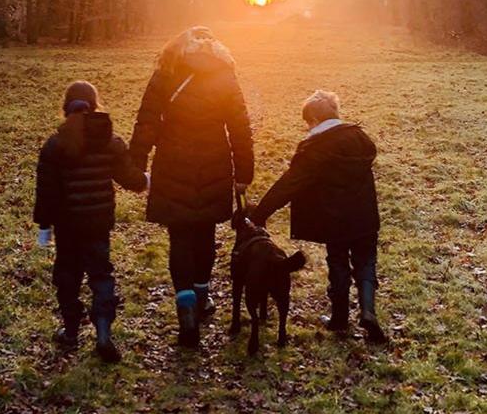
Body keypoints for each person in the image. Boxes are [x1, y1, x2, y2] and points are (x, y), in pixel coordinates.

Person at [130, 27, 254, 348]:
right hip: (214, 166)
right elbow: (240, 127)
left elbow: (147, 121)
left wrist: (137, 163)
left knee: (180, 237)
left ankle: (186, 309)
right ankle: (202, 295)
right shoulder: (225, 76)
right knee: (205, 234)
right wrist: (244, 172)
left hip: (173, 163)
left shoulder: (166, 73)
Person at [250, 90, 386, 343]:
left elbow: (289, 185)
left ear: (313, 119)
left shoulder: (315, 149)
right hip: (365, 215)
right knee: (366, 262)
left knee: (338, 263)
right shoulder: (359, 138)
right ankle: (368, 311)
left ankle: (339, 318)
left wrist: (260, 213)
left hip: (335, 219)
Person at [33, 79, 147, 363]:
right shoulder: (110, 140)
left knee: (67, 276)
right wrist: (145, 180)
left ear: (65, 106)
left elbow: (46, 191)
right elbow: (131, 179)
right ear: (95, 105)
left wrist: (44, 226)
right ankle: (104, 333)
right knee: (101, 274)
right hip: (98, 222)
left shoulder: (55, 145)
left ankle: (71, 331)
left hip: (67, 225)